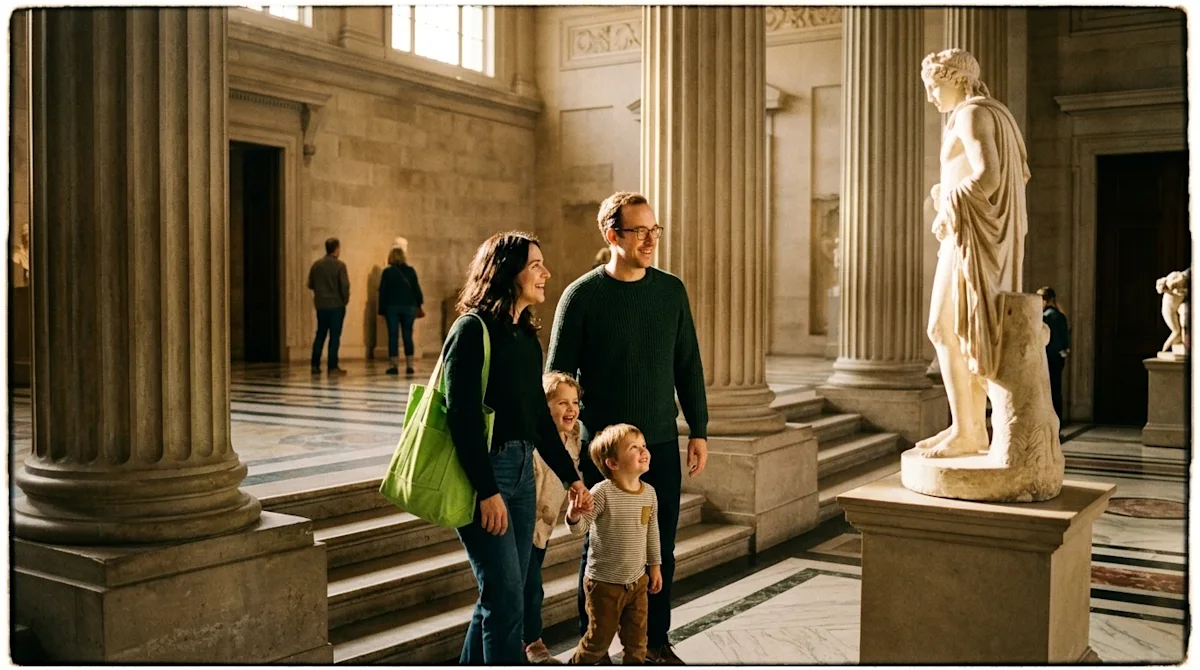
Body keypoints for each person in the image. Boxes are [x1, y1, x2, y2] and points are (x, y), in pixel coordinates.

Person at [548, 191, 709, 665]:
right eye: (640, 230)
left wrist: (697, 428)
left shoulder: (670, 290)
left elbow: (689, 365)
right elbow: (557, 377)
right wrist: (566, 442)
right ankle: (592, 645)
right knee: (599, 549)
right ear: (611, 234)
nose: (650, 239)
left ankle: (654, 642)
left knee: (661, 546)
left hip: (656, 442)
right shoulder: (580, 296)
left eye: (654, 230)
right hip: (602, 452)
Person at [444, 231, 594, 665]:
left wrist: (570, 478)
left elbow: (537, 422)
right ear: (508, 273)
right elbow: (464, 418)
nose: (546, 273)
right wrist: (487, 490)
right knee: (505, 597)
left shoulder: (526, 338)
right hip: (484, 475)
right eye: (535, 266)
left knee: (502, 594)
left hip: (522, 474)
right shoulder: (472, 331)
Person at [917, 48, 1031, 457]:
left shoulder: (971, 114)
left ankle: (968, 431)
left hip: (970, 237)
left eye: (935, 86)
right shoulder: (991, 113)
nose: (931, 96)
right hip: (970, 232)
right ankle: (965, 428)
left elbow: (990, 175)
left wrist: (949, 208)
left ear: (957, 81)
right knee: (956, 330)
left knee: (946, 328)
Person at [566, 423, 662, 665]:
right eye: (634, 447)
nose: (644, 451)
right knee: (598, 640)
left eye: (644, 446)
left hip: (637, 582)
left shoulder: (649, 493)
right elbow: (580, 529)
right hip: (604, 584)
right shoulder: (602, 493)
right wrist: (574, 514)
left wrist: (655, 566)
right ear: (613, 463)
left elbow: (652, 532)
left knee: (637, 641)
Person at [523, 372, 586, 664]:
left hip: (543, 528)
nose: (571, 409)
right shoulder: (533, 445)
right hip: (523, 524)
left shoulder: (574, 440)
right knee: (530, 586)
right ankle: (532, 641)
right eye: (562, 403)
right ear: (543, 406)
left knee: (531, 583)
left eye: (575, 402)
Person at [377, 245, 424, 376]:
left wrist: (381, 311)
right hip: (409, 307)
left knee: (393, 336)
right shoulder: (411, 271)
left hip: (392, 307)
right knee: (408, 336)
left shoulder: (387, 272)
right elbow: (416, 290)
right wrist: (419, 304)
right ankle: (410, 365)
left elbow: (382, 292)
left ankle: (394, 365)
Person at [308, 237, 350, 375]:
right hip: (336, 305)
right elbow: (344, 286)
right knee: (334, 336)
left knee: (320, 334)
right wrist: (345, 299)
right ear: (336, 249)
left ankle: (315, 365)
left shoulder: (316, 265)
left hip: (321, 305)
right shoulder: (340, 265)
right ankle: (332, 367)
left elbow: (310, 284)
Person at [1037, 286, 1070, 423]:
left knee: (1045, 391)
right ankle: (1058, 422)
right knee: (1056, 390)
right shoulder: (1061, 316)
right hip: (1057, 358)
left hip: (1046, 358)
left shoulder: (1045, 317)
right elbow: (1065, 341)